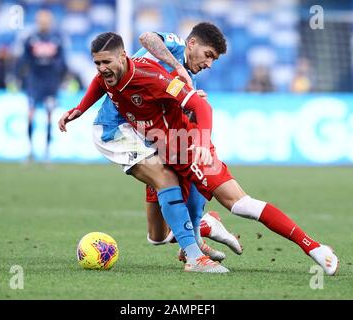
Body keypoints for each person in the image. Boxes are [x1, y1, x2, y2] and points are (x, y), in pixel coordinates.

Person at [58, 32, 339, 276]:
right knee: (161, 213)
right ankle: (197, 241)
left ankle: (311, 247)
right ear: (191, 45)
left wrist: (202, 143)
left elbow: (203, 108)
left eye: (107, 62)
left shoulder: (153, 78)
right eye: (98, 63)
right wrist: (79, 110)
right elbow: (132, 52)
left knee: (236, 205)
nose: (102, 68)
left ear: (122, 57)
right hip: (144, 141)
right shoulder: (154, 59)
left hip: (186, 146)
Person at [91, 23, 242, 263]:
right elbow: (145, 36)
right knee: (158, 237)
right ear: (191, 44)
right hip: (125, 130)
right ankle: (203, 227)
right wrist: (175, 67)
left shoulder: (189, 77)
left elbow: (174, 102)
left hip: (152, 137)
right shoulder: (173, 46)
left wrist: (188, 101)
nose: (209, 64)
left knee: (172, 178)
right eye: (208, 55)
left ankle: (194, 252)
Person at [18, 9, 67, 162]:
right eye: (41, 20)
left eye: (46, 20)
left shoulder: (57, 38)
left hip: (50, 82)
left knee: (49, 116)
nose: (44, 23)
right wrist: (20, 78)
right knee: (31, 115)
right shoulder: (30, 38)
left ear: (50, 22)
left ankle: (47, 151)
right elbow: (23, 60)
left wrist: (61, 78)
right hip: (35, 82)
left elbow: (63, 61)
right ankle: (30, 150)